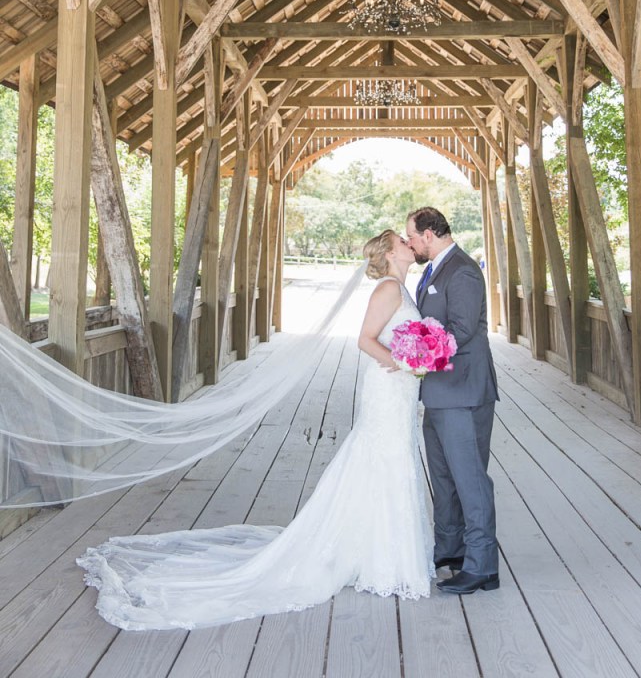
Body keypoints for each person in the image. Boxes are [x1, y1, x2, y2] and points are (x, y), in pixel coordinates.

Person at [77, 230, 435, 630]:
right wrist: (404, 364)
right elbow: (365, 341)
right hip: (388, 387)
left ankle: (376, 553)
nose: (409, 243)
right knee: (383, 460)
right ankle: (379, 561)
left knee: (391, 461)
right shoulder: (388, 289)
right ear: (389, 253)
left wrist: (415, 361)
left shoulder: (404, 289)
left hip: (399, 391)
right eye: (403, 240)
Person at [406, 206, 500, 595]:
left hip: (462, 391)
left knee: (470, 480)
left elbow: (461, 331)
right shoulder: (432, 270)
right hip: (439, 392)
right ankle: (450, 549)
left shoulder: (461, 270)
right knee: (443, 479)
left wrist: (416, 355)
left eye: (411, 236)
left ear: (429, 233)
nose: (409, 243)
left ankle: (482, 566)